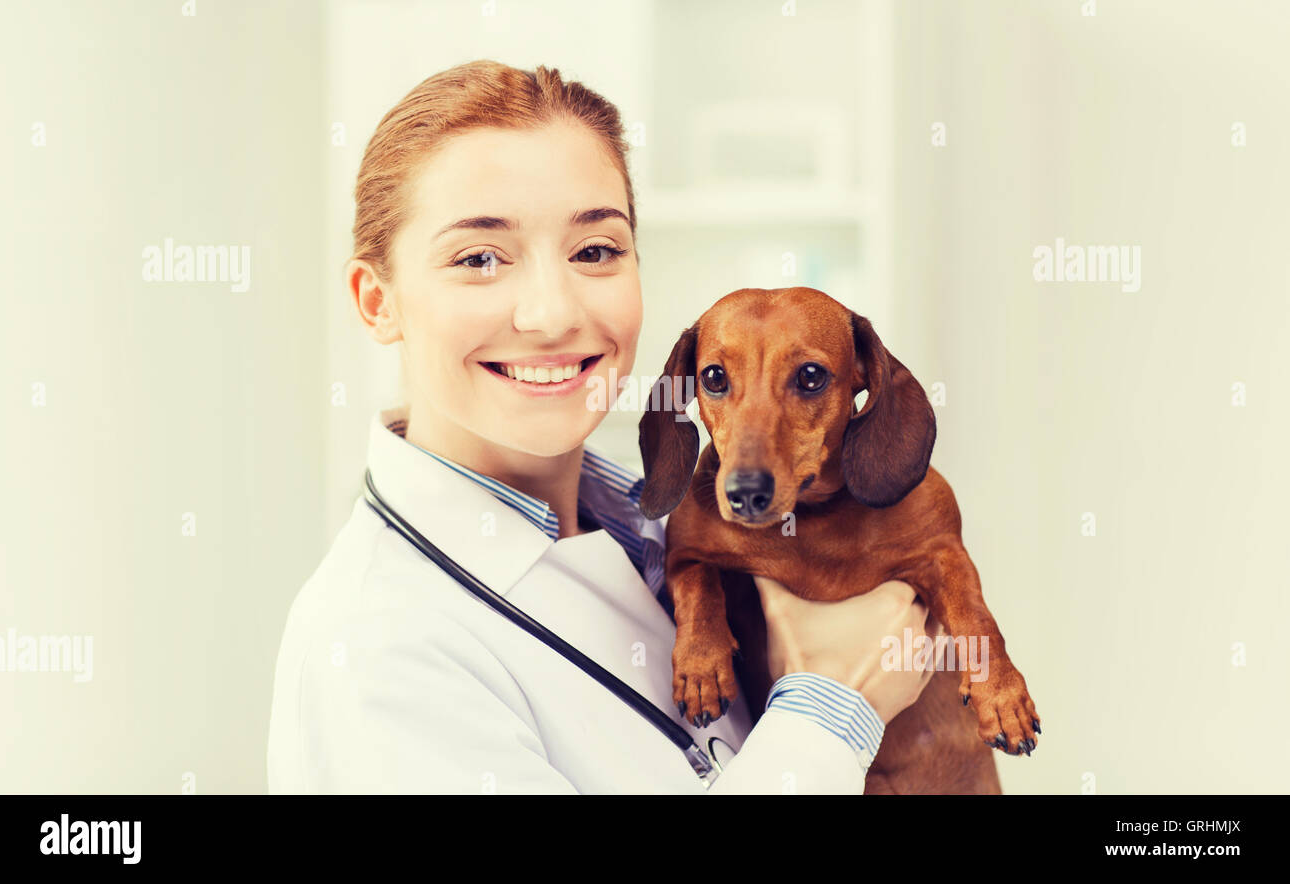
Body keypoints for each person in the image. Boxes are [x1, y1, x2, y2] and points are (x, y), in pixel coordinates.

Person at [266, 60, 941, 794]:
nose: (553, 313)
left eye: (595, 251)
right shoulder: (372, 650)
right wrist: (833, 704)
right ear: (377, 302)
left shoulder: (675, 535)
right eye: (480, 258)